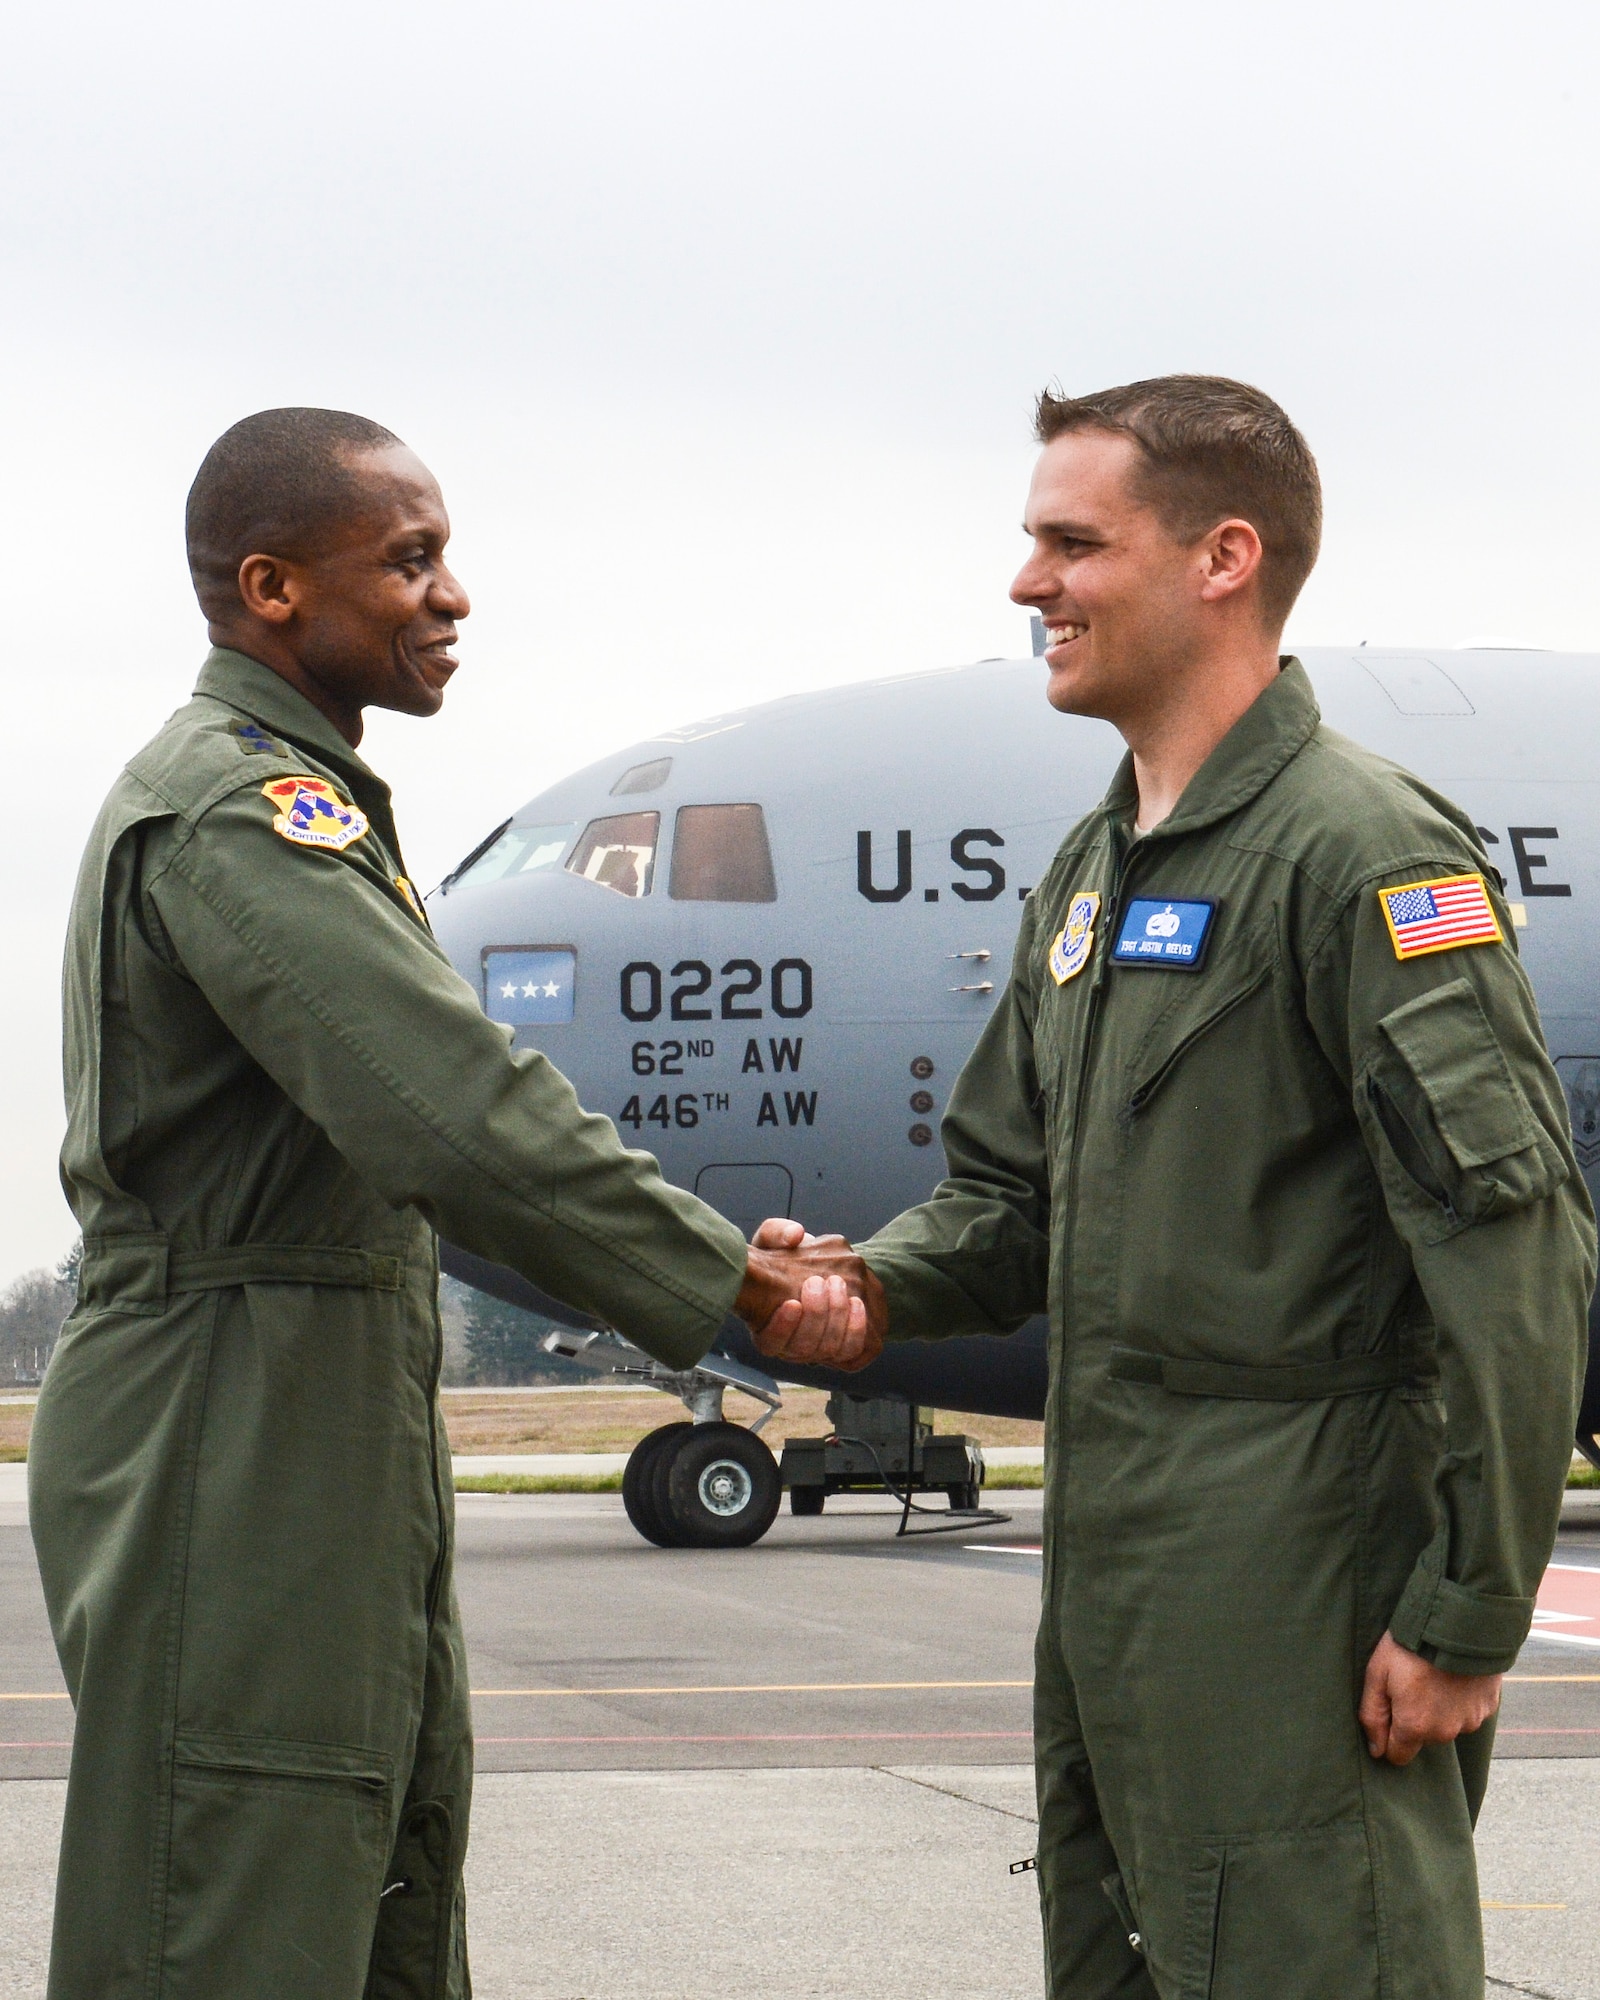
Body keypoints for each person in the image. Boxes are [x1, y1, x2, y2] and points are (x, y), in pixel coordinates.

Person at [759, 375, 1594, 1998]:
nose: (1027, 586)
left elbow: (1516, 1250)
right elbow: (1009, 1199)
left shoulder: (1369, 858)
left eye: (1073, 543)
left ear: (1223, 558)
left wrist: (1471, 1611)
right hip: (1117, 1575)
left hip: (1298, 1570)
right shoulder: (1090, 875)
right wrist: (869, 1295)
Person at [30, 407, 875, 2000]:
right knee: (236, 1892)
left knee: (373, 1865)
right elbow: (458, 1114)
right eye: (410, 561)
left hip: (310, 1401)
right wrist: (734, 1284)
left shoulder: (304, 801)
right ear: (274, 589)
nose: (452, 596)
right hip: (236, 1414)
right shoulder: (240, 815)